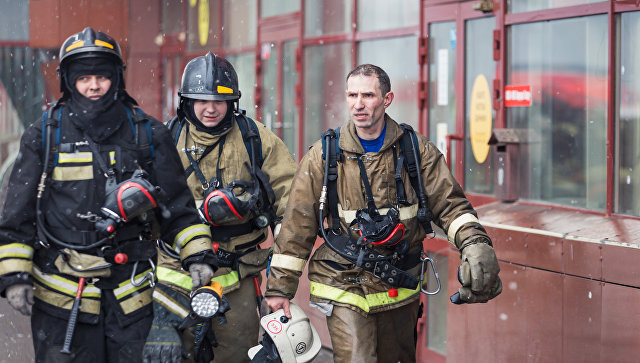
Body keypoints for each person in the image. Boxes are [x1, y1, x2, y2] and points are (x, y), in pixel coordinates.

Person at [0, 27, 217, 362]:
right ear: (68, 80)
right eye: (84, 77)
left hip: (131, 301)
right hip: (61, 303)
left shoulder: (148, 133)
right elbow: (17, 216)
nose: (94, 86)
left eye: (101, 76)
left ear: (116, 77)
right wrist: (14, 277)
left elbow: (179, 210)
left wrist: (198, 255)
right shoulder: (44, 135)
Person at [264, 64, 502, 363]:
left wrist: (474, 243)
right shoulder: (324, 155)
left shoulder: (417, 151)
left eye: (368, 95)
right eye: (352, 94)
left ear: (387, 99)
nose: (358, 104)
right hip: (343, 280)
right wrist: (279, 288)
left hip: (399, 281)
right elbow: (297, 226)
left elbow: (450, 204)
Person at [144, 52, 297, 362]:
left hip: (239, 277)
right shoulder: (165, 139)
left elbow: (293, 205)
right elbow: (146, 213)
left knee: (235, 355)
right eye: (201, 100)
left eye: (219, 100)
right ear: (186, 101)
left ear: (233, 102)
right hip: (175, 279)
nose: (210, 108)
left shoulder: (255, 138)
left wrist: (282, 278)